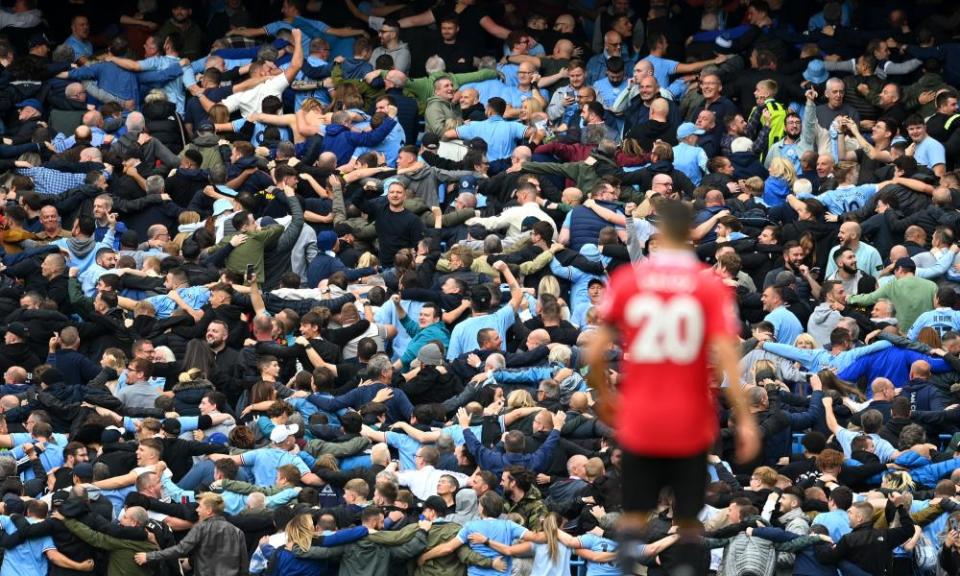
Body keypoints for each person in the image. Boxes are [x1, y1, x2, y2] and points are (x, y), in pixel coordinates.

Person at [591, 199, 759, 572]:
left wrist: (602, 394)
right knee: (686, 515)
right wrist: (744, 416)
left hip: (642, 407)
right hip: (688, 410)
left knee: (635, 508)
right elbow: (727, 353)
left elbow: (598, 345)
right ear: (690, 235)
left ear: (660, 233)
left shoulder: (630, 279)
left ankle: (627, 555)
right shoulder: (706, 286)